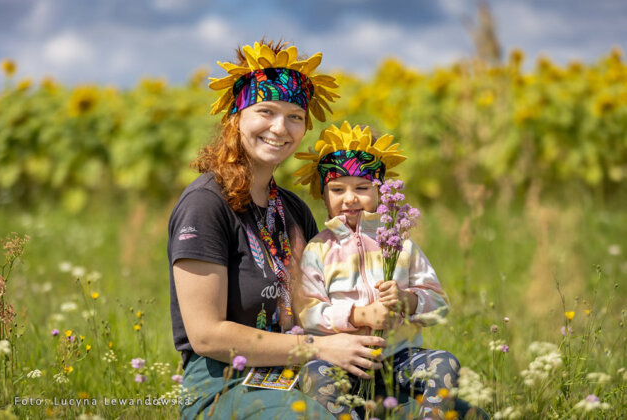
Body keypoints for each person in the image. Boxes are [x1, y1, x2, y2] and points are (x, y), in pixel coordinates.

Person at [167, 40, 387, 420]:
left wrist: (370, 311)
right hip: (225, 382)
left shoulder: (294, 210)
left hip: (299, 372)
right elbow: (206, 335)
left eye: (294, 116)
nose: (279, 128)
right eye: (265, 111)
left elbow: (314, 310)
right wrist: (316, 350)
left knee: (442, 405)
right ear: (235, 117)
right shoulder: (206, 205)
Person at [293, 122, 482, 419]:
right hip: (344, 358)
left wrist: (409, 300)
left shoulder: (401, 247)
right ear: (323, 195)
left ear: (380, 192)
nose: (350, 198)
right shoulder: (318, 251)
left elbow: (440, 306)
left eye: (362, 188)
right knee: (313, 375)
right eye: (338, 189)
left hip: (401, 359)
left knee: (446, 363)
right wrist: (357, 316)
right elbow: (307, 314)